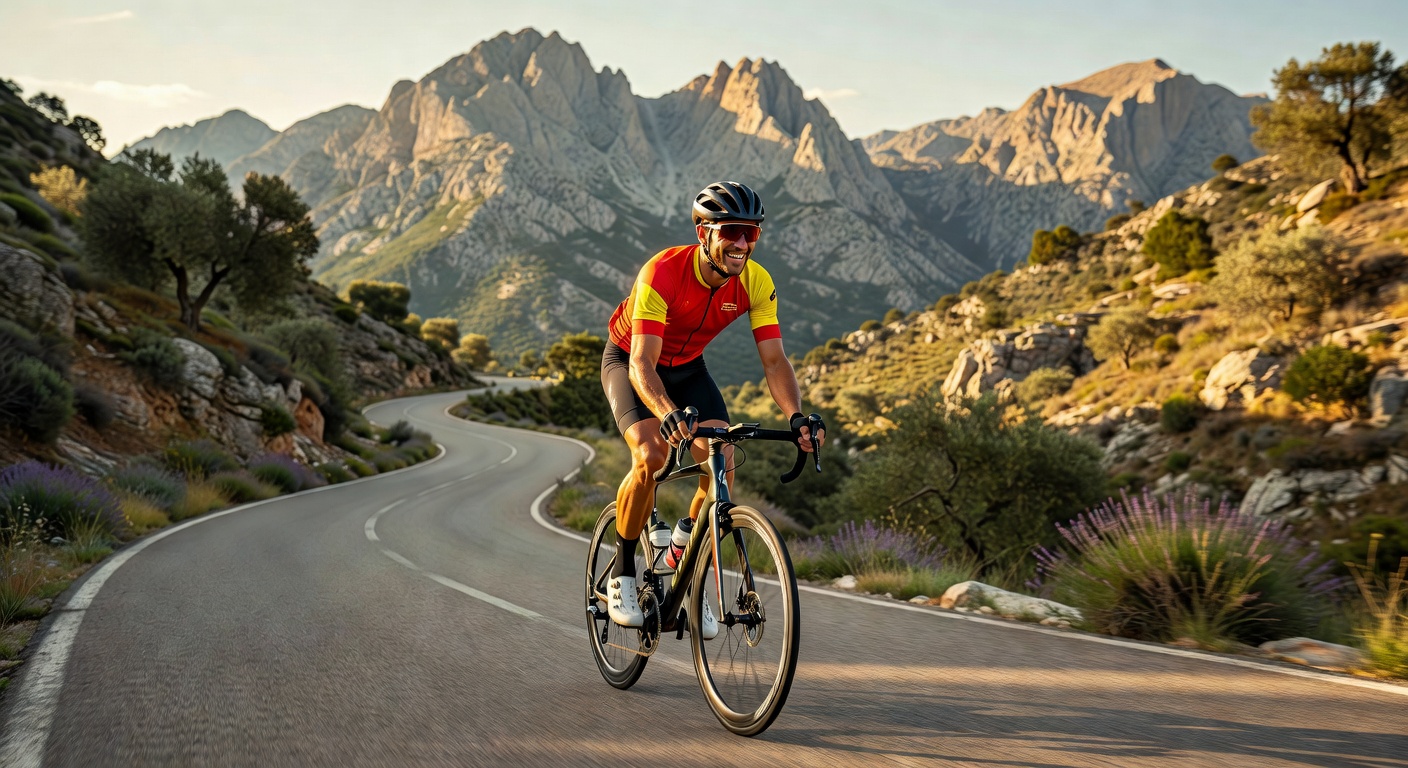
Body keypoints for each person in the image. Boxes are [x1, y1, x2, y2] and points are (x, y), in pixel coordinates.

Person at [599, 180, 824, 635]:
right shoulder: (662, 272)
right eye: (732, 231)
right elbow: (642, 363)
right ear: (704, 233)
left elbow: (775, 360)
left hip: (687, 368)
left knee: (720, 461)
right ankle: (623, 569)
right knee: (652, 455)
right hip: (631, 361)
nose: (743, 243)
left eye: (752, 233)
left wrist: (796, 416)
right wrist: (665, 413)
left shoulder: (756, 282)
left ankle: (685, 558)